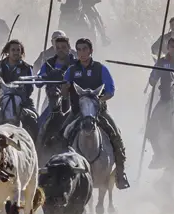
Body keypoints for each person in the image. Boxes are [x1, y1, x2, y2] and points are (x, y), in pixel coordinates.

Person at [62, 38, 130, 189]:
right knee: (61, 135)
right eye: (78, 49)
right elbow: (64, 90)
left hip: (99, 112)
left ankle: (120, 173)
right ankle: (61, 174)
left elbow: (110, 91)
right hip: (77, 112)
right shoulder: (71, 70)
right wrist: (64, 87)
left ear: (91, 51)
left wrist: (98, 100)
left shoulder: (100, 69)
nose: (81, 53)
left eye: (84, 49)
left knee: (116, 136)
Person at [36, 33, 76, 127]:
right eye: (58, 48)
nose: (60, 50)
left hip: (73, 102)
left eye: (63, 47)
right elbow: (38, 83)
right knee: (39, 125)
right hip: (53, 100)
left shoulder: (76, 64)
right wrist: (43, 78)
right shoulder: (48, 63)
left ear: (69, 48)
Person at [0, 39, 34, 116]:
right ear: (8, 52)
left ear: (21, 52)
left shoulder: (27, 68)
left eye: (18, 50)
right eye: (13, 50)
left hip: (23, 104)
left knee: (34, 122)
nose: (16, 52)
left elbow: (30, 89)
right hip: (5, 103)